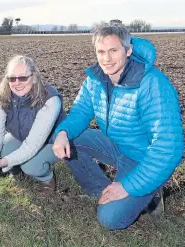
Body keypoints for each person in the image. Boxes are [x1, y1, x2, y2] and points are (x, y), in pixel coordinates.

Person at [52, 23, 184, 230]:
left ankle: (149, 189)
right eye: (101, 52)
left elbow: (169, 147)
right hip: (117, 146)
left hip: (144, 158)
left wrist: (128, 186)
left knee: (110, 220)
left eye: (113, 50)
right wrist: (62, 133)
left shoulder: (152, 84)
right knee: (66, 137)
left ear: (128, 50)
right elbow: (79, 113)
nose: (107, 58)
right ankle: (101, 191)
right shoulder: (95, 80)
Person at [0, 55, 66, 189]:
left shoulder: (50, 100)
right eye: (12, 78)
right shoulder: (1, 99)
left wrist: (2, 163)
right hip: (23, 136)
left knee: (31, 165)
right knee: (3, 149)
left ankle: (47, 180)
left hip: (54, 141)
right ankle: (18, 175)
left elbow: (32, 145)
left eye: (23, 77)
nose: (17, 82)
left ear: (34, 77)